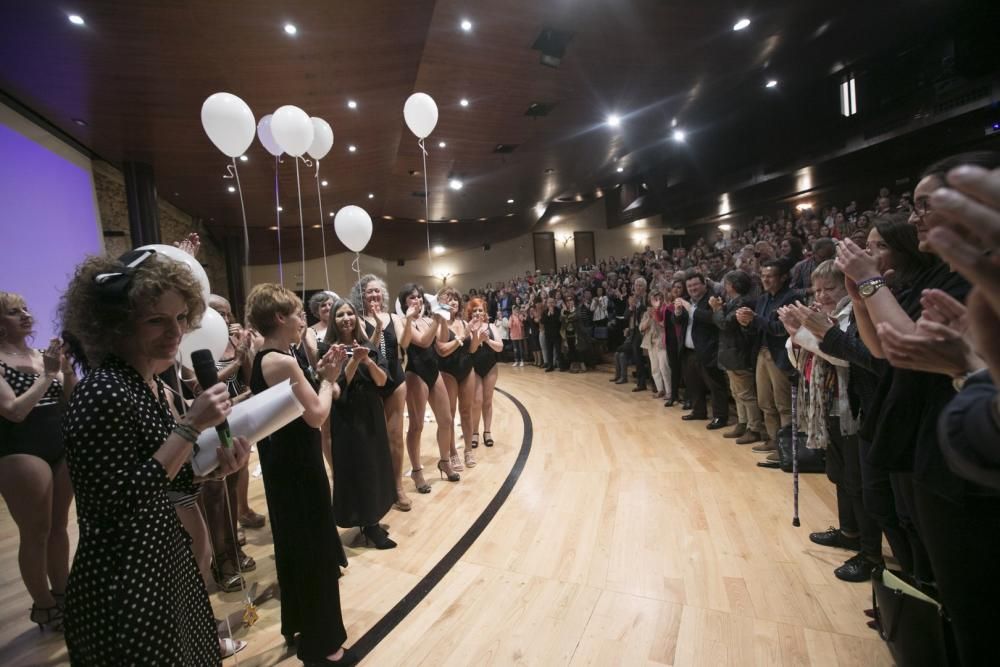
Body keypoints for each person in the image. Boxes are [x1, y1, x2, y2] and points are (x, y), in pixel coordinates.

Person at [59, 252, 251, 663]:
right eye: (156, 320)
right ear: (114, 325)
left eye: (181, 317)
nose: (175, 332)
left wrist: (213, 470)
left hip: (161, 563)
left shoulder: (142, 385)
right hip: (125, 581)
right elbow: (116, 502)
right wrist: (190, 426)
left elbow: (166, 479)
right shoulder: (103, 390)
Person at [245, 283, 356, 665]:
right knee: (315, 551)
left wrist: (322, 377)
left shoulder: (265, 355)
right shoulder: (283, 360)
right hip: (299, 468)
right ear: (279, 317)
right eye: (295, 313)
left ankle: (298, 625)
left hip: (282, 465)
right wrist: (329, 378)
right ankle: (323, 643)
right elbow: (317, 415)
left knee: (294, 548)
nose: (302, 318)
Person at [778, 261, 883, 581]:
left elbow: (844, 356)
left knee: (858, 482)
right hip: (826, 406)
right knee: (838, 474)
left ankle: (870, 553)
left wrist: (805, 333)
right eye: (818, 289)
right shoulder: (821, 315)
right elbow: (800, 356)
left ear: (846, 287)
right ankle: (848, 532)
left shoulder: (856, 313)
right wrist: (797, 335)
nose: (822, 295)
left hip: (852, 405)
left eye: (830, 289)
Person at [0, 292, 76, 631]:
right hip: (20, 449)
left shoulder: (38, 355)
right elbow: (14, 411)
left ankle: (63, 595)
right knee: (35, 533)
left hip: (58, 443)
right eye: (14, 312)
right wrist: (47, 375)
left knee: (58, 527)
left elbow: (65, 402)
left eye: (26, 308)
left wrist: (68, 374)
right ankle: (44, 606)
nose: (26, 315)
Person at [324, 298, 397, 549]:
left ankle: (372, 521)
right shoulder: (328, 350)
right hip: (346, 416)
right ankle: (367, 524)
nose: (346, 318)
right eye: (340, 314)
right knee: (356, 467)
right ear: (333, 320)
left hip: (370, 413)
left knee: (375, 464)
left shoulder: (369, 347)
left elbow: (382, 381)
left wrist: (366, 360)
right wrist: (354, 360)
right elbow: (337, 387)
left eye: (350, 313)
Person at [352, 275, 412, 512]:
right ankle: (380, 486)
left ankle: (397, 486)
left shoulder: (393, 317)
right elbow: (369, 349)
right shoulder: (355, 319)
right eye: (369, 292)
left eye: (377, 291)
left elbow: (405, 343)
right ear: (361, 295)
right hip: (371, 381)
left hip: (395, 378)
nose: (374, 295)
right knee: (375, 436)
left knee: (395, 435)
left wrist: (408, 322)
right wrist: (376, 324)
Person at [398, 284, 460, 487]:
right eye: (411, 298)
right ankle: (416, 471)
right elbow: (423, 342)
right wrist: (437, 317)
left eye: (418, 297)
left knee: (446, 419)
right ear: (404, 303)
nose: (416, 301)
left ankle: (444, 461)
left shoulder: (427, 319)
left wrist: (442, 317)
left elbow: (441, 341)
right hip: (415, 373)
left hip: (434, 370)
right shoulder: (402, 322)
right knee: (417, 426)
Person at [710, 271, 764, 443]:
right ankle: (742, 422)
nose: (724, 287)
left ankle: (754, 428)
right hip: (731, 353)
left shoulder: (744, 302)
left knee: (746, 394)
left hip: (739, 353)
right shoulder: (734, 301)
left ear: (732, 285)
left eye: (726, 283)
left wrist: (717, 309)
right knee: (737, 393)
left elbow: (725, 324)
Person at [674, 272, 730, 429]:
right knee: (693, 383)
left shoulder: (713, 299)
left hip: (708, 350)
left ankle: (720, 416)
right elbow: (679, 322)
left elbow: (711, 318)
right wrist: (678, 312)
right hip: (689, 350)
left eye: (695, 285)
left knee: (715, 385)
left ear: (704, 284)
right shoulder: (688, 302)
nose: (692, 288)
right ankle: (699, 411)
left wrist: (688, 308)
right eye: (689, 286)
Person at [437, 287, 477, 468]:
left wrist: (475, 335)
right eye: (448, 299)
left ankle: (468, 450)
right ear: (441, 304)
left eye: (455, 299)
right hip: (447, 371)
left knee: (467, 412)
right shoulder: (438, 324)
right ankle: (452, 452)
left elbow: (472, 349)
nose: (453, 302)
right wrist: (463, 335)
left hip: (467, 368)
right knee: (450, 414)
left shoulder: (464, 322)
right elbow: (443, 351)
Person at [467, 298, 503, 449]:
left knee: (487, 401)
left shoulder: (491, 326)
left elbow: (500, 347)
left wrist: (487, 340)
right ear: (470, 312)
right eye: (474, 310)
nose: (477, 313)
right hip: (474, 367)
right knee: (476, 401)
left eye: (480, 310)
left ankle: (487, 432)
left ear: (484, 312)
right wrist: (477, 336)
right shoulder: (467, 327)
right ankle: (475, 432)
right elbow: (472, 350)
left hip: (490, 367)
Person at [540, 296, 561, 372]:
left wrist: (553, 314)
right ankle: (550, 366)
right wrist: (548, 315)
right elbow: (542, 321)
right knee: (549, 351)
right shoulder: (545, 312)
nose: (551, 304)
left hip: (557, 334)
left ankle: (561, 365)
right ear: (547, 304)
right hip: (548, 335)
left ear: (554, 303)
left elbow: (559, 321)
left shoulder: (558, 310)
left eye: (552, 302)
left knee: (558, 350)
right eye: (549, 302)